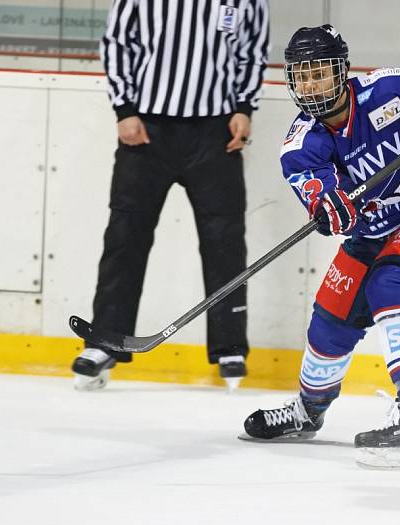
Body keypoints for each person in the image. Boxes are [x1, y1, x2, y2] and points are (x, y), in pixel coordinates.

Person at [241, 25, 400, 468]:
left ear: (342, 70)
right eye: (302, 76)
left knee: (391, 282)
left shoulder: (390, 88)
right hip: (372, 232)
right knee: (329, 320)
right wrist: (329, 205)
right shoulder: (301, 145)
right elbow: (318, 191)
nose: (312, 85)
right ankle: (308, 412)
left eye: (320, 73)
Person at [72, 0, 270, 392]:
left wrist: (245, 107)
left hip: (216, 133)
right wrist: (124, 108)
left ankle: (230, 347)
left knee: (225, 241)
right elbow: (116, 43)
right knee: (125, 237)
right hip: (147, 128)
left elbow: (253, 51)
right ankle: (105, 340)